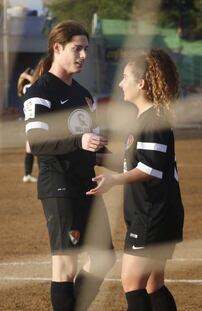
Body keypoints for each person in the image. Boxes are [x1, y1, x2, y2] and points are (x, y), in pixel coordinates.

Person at [23, 20, 115, 311]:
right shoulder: (40, 92)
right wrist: (79, 141)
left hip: (85, 184)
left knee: (104, 257)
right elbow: (37, 143)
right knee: (65, 266)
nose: (83, 55)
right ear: (57, 48)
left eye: (86, 49)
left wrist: (129, 161)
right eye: (77, 49)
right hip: (59, 186)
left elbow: (91, 148)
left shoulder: (84, 95)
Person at [86, 49, 184, 311]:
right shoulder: (146, 118)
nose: (120, 83)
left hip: (153, 214)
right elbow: (135, 162)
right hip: (155, 212)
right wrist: (97, 156)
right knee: (153, 285)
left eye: (125, 77)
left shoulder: (152, 120)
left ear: (141, 84)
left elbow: (149, 169)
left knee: (132, 283)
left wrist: (113, 180)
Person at [18, 67, 37, 183]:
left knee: (30, 148)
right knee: (38, 148)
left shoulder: (26, 88)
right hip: (33, 122)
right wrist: (24, 76)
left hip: (29, 122)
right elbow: (36, 81)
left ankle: (27, 174)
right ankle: (28, 174)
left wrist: (23, 75)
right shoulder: (28, 87)